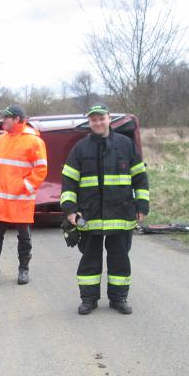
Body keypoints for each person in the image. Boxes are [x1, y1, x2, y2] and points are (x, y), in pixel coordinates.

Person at [60, 103, 149, 315]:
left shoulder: (126, 145)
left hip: (121, 215)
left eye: (101, 118)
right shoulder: (80, 148)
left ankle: (119, 299)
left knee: (119, 259)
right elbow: (69, 182)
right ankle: (88, 300)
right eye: (93, 119)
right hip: (89, 217)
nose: (98, 122)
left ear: (109, 118)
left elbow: (140, 178)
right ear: (89, 122)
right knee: (90, 260)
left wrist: (142, 205)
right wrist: (71, 211)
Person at [0, 104, 47, 285]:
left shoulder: (34, 141)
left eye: (7, 117)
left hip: (20, 199)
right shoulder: (0, 140)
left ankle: (23, 270)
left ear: (18, 119)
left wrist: (24, 187)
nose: (3, 120)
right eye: (3, 117)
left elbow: (41, 169)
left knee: (24, 237)